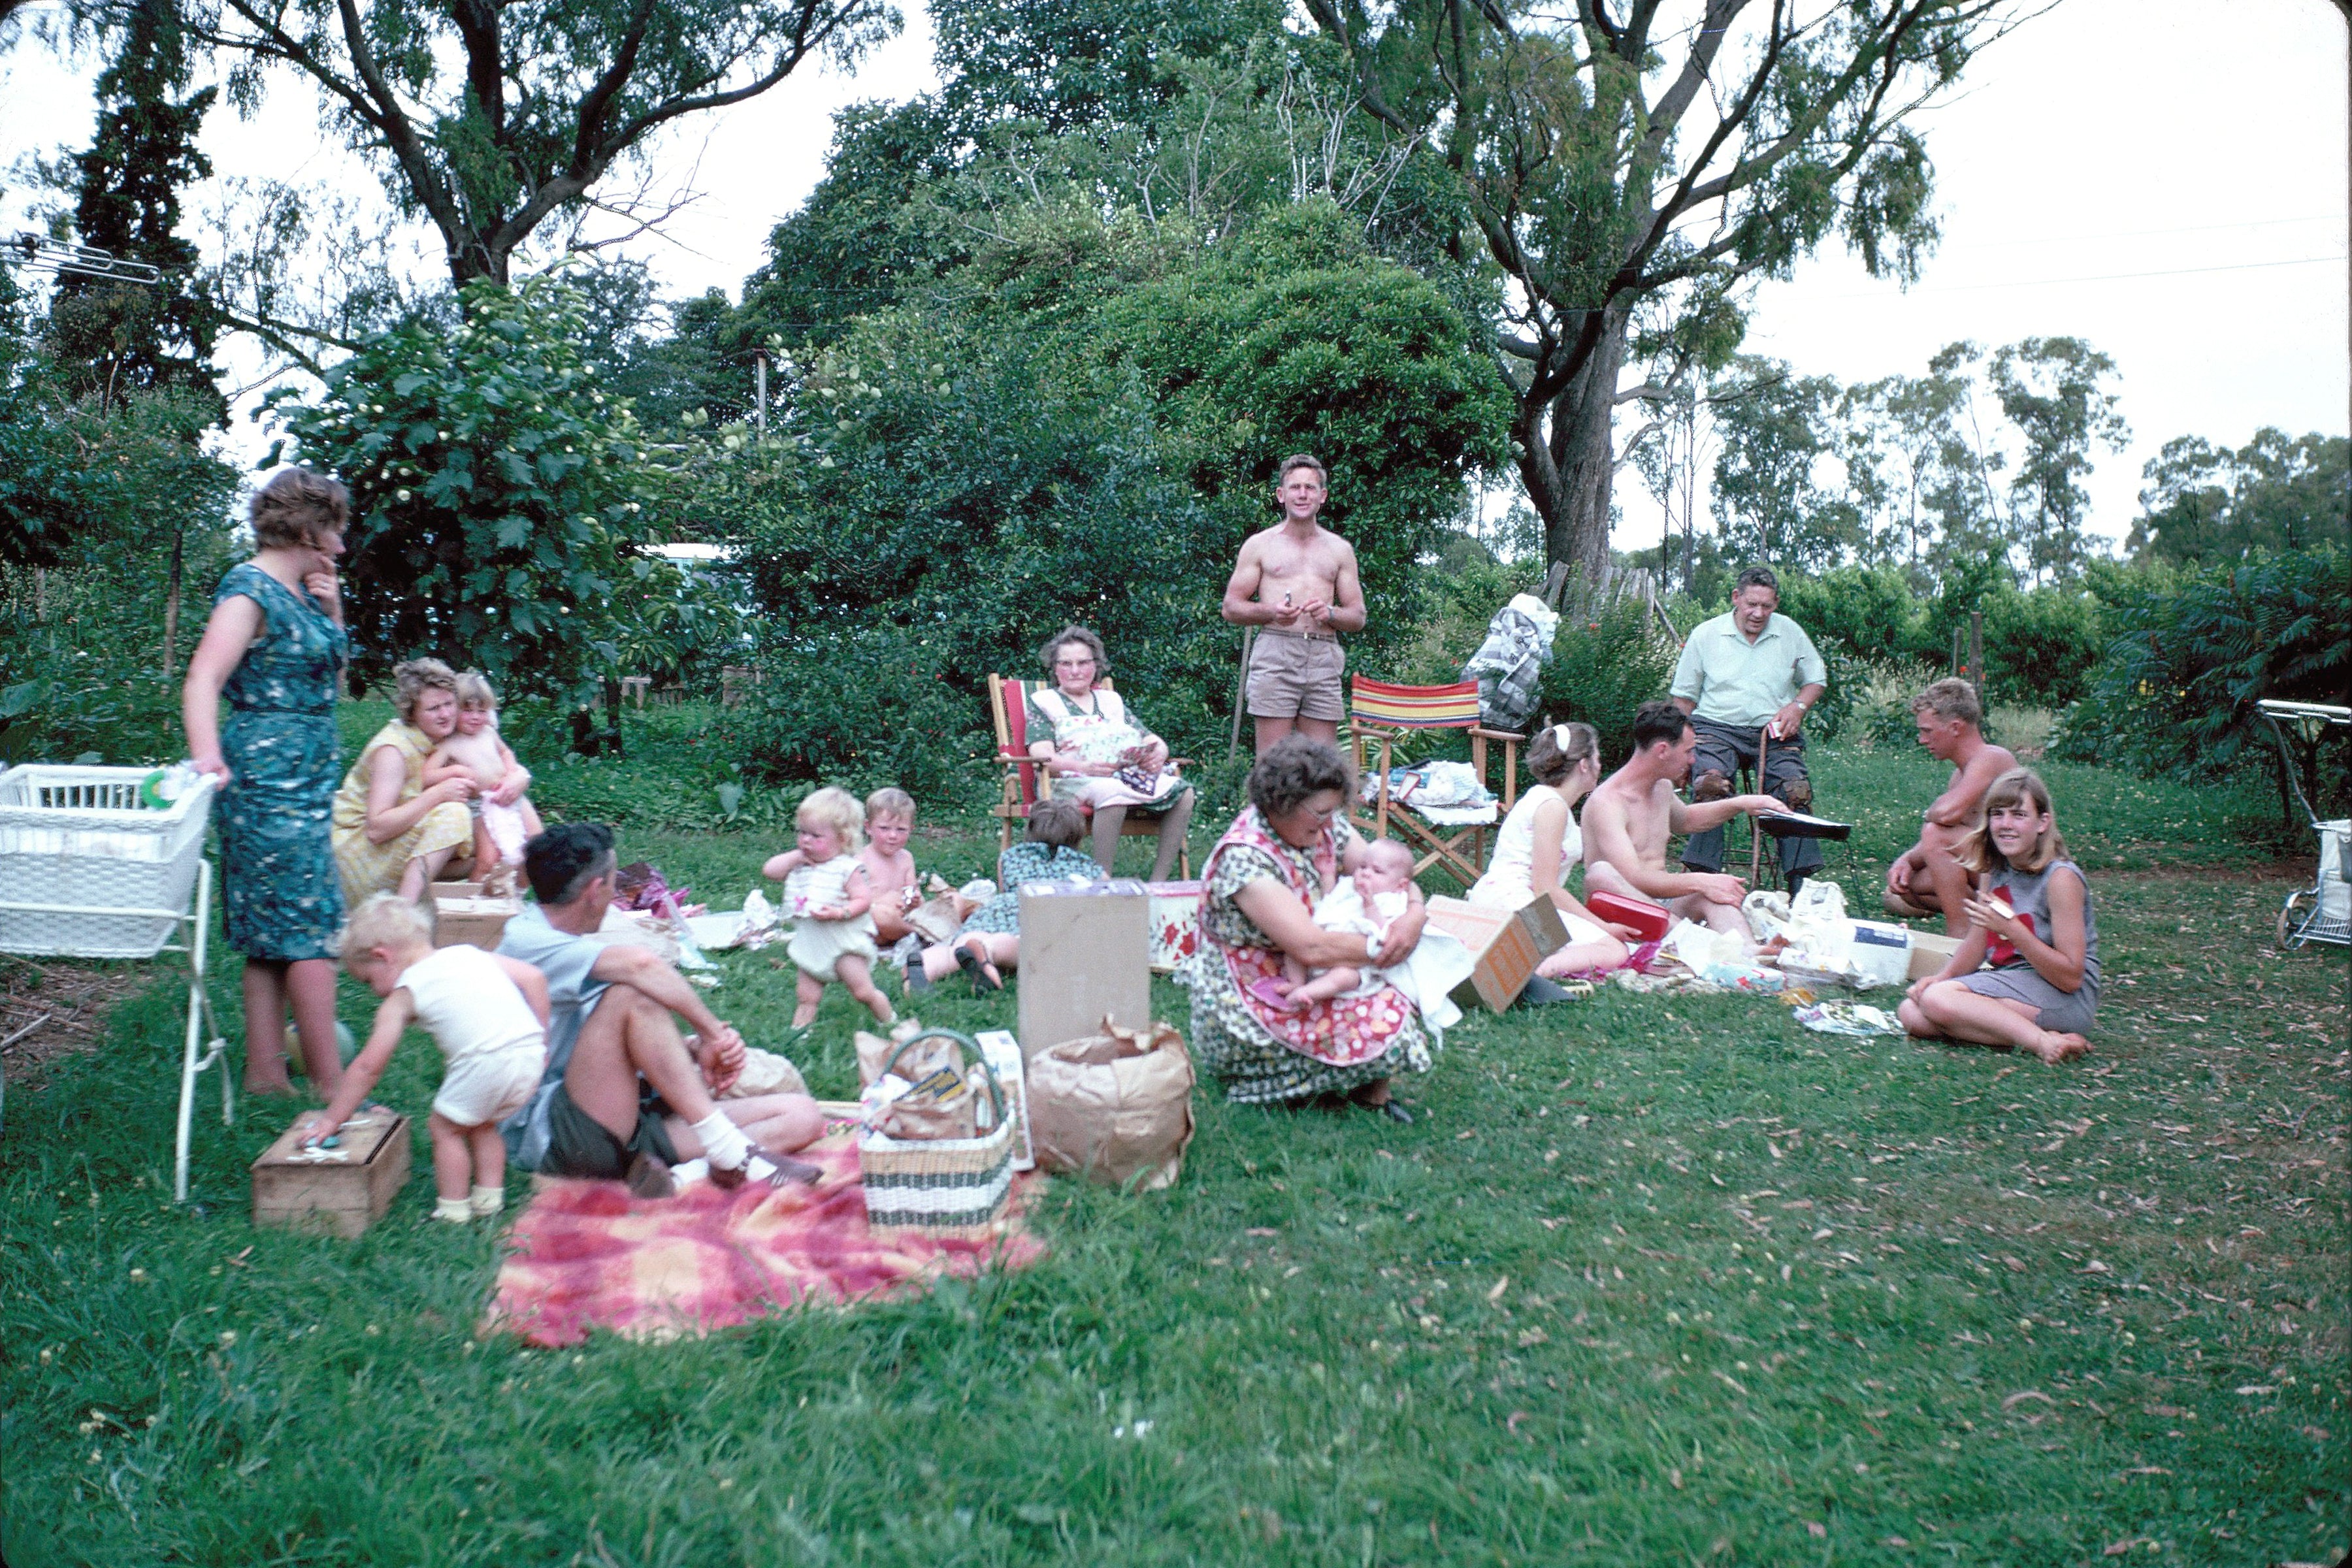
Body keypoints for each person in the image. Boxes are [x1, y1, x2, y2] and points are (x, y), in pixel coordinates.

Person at [500, 824, 825, 1196]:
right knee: (631, 995)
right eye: (613, 882)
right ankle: (728, 1151)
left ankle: (686, 1175)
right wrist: (712, 1034)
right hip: (556, 1132)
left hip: (620, 1117)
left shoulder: (565, 943)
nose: (615, 892)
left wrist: (682, 1047)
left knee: (802, 1115)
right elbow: (642, 966)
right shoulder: (526, 940)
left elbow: (597, 1042)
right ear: (594, 891)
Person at [181, 467, 353, 1096]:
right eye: (335, 529)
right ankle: (334, 1089)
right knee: (310, 927)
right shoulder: (248, 591)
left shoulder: (306, 591)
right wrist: (209, 759)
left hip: (305, 773)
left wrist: (332, 608)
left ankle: (265, 1076)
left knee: (271, 929)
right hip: (266, 778)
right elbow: (203, 678)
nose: (340, 544)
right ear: (309, 528)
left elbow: (329, 686)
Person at [1178, 735, 1429, 1121]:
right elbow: (1311, 948)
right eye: (1319, 813)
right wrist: (1389, 946)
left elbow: (1390, 871)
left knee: (1399, 991)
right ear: (1281, 804)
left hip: (1311, 974)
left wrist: (1413, 913)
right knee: (1388, 1005)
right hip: (1253, 997)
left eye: (1333, 811)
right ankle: (1276, 1082)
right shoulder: (1245, 860)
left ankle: (1362, 1088)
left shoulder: (1326, 827)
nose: (1330, 822)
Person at [309, 894, 549, 1222]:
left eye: (368, 980)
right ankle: (489, 1201)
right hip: (529, 1056)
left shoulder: (406, 992)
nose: (374, 992)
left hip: (486, 1062)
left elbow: (368, 1067)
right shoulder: (468, 953)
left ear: (383, 957)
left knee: (445, 1129)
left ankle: (453, 1210)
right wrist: (542, 1041)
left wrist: (331, 1120)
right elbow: (534, 978)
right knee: (483, 1124)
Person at [1899, 769, 2095, 1064]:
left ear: (2043, 823)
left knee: (1938, 1001)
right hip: (2015, 982)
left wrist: (2014, 931)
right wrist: (1942, 976)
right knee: (1912, 1013)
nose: (2005, 825)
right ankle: (2037, 1034)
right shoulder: (1997, 869)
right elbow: (1978, 941)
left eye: (2018, 815)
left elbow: (2070, 977)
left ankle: (2042, 1042)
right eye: (1997, 814)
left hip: (2062, 997)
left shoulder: (2060, 879)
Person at [1669, 565, 1829, 895]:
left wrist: (1797, 707)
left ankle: (1801, 890)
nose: (1758, 614)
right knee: (1710, 785)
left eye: (1767, 606)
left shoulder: (1790, 633)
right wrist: (1675, 751)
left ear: (1776, 603)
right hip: (1715, 728)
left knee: (1795, 790)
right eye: (1751, 604)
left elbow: (1816, 679)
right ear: (1736, 598)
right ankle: (1702, 882)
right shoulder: (1706, 634)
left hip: (1774, 731)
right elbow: (1683, 698)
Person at [1582, 700, 1788, 936]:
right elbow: (1633, 878)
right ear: (1662, 751)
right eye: (1688, 751)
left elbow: (1687, 820)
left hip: (1664, 910)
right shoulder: (1607, 803)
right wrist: (1701, 880)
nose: (1693, 760)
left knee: (1711, 892)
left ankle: (1747, 953)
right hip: (1621, 912)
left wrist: (1742, 803)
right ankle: (1693, 940)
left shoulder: (1661, 788)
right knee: (1600, 874)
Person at [1465, 722, 1639, 977]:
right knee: (1613, 949)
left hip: (1510, 899)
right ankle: (1532, 973)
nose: (1600, 767)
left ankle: (1527, 964)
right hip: (1515, 904)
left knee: (1605, 945)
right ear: (1584, 765)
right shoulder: (1552, 807)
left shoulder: (1546, 800)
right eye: (1597, 758)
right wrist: (1603, 926)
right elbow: (1546, 888)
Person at [1221, 455, 1367, 755]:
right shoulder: (1260, 545)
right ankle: (1267, 805)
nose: (1303, 494)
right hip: (1276, 652)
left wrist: (1329, 613)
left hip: (1324, 654)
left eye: (1311, 488)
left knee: (1319, 764)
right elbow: (1231, 608)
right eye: (1295, 487)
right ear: (1281, 494)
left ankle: (1314, 805)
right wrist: (1270, 612)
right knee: (1272, 762)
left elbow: (1357, 617)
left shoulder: (1340, 550)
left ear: (1322, 496)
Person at [1025, 625, 1194, 880]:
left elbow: (1149, 737)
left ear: (1096, 665)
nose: (1074, 671)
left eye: (1083, 663)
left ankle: (1158, 883)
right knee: (1111, 793)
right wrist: (1086, 768)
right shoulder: (1044, 702)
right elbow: (1043, 755)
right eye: (1066, 663)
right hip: (1068, 782)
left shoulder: (1110, 701)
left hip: (1119, 777)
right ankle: (1101, 878)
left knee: (1184, 792)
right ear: (1054, 667)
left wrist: (1159, 752)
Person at [330, 658, 481, 904]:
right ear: (412, 713)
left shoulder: (443, 737)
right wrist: (438, 794)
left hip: (393, 843)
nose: (445, 714)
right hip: (357, 854)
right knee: (453, 816)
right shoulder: (394, 750)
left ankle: (472, 919)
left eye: (449, 704)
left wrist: (519, 777)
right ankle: (401, 914)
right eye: (433, 709)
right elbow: (377, 829)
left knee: (494, 844)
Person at [910, 798, 1098, 994]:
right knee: (1021, 943)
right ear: (1077, 836)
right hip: (1038, 912)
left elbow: (1005, 890)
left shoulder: (1009, 857)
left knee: (958, 946)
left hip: (999, 909)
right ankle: (987, 951)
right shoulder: (1086, 865)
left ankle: (923, 966)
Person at [1884, 678, 2017, 932]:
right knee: (1909, 884)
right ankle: (1990, 922)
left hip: (2018, 872)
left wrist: (1932, 817)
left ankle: (1959, 934)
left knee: (1935, 832)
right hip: (1991, 869)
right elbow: (1948, 828)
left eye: (1928, 731)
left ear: (1955, 727)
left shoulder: (1992, 757)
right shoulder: (1960, 776)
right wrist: (1907, 860)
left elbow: (1946, 815)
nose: (1923, 740)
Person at [759, 787, 895, 1029]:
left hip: (843, 944)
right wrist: (794, 857)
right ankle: (799, 1033)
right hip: (811, 943)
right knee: (806, 996)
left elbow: (863, 900)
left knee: (863, 992)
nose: (806, 840)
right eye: (802, 833)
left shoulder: (847, 868)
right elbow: (770, 871)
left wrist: (840, 913)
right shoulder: (800, 862)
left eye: (816, 836)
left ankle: (889, 1021)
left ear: (842, 840)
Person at [423, 672, 543, 890]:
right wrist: (455, 771)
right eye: (467, 710)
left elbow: (505, 752)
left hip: (510, 795)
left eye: (482, 710)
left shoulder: (488, 732)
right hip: (480, 805)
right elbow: (426, 776)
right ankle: (474, 903)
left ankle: (516, 897)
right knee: (488, 859)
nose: (476, 716)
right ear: (454, 710)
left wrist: (511, 774)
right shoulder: (449, 743)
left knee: (536, 844)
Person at [860, 787, 923, 951]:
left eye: (901, 829)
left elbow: (914, 896)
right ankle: (920, 935)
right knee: (879, 916)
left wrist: (914, 900)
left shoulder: (906, 858)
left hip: (900, 919)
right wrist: (881, 904)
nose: (893, 836)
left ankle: (913, 933)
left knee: (945, 904)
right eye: (885, 828)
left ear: (911, 829)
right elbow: (852, 900)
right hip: (871, 921)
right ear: (868, 827)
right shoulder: (860, 859)